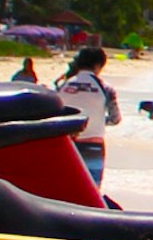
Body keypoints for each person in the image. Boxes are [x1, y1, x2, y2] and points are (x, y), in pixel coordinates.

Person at [52, 44, 121, 192]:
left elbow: (55, 113)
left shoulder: (63, 85)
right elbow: (116, 118)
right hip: (93, 145)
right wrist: (98, 120)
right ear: (98, 65)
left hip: (66, 144)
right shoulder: (106, 88)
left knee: (65, 189)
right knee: (91, 191)